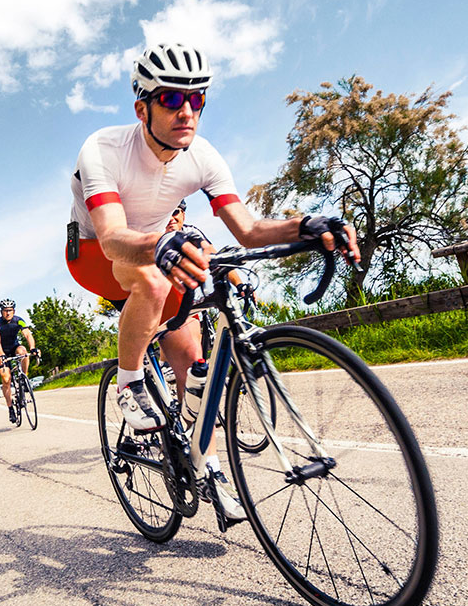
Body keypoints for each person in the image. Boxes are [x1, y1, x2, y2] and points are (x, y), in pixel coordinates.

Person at [66, 41, 359, 523]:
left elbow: (247, 229)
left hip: (162, 246)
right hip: (98, 251)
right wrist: (159, 246)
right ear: (143, 107)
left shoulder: (201, 155)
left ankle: (206, 464)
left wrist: (306, 226)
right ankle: (128, 382)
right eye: (172, 99)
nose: (187, 111)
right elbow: (115, 236)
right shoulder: (103, 148)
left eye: (197, 99)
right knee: (157, 283)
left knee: (193, 356)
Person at [0, 298, 39, 424]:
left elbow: (28, 334)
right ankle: (11, 408)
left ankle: (24, 378)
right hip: (2, 352)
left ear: (14, 311)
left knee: (23, 352)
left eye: (10, 310)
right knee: (6, 380)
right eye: (5, 311)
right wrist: (1, 355)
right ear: (1, 312)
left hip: (14, 347)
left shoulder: (19, 320)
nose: (8, 313)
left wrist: (32, 348)